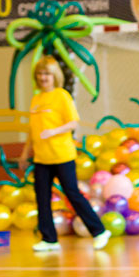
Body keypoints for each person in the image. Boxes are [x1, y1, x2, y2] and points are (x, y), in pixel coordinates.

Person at [18, 56, 111, 253]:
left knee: (73, 194)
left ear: (55, 76)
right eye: (40, 74)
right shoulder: (37, 99)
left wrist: (53, 131)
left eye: (47, 74)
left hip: (62, 156)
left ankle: (99, 231)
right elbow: (32, 130)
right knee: (42, 197)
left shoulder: (61, 96)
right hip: (42, 158)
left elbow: (73, 122)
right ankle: (49, 239)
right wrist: (25, 153)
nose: (43, 78)